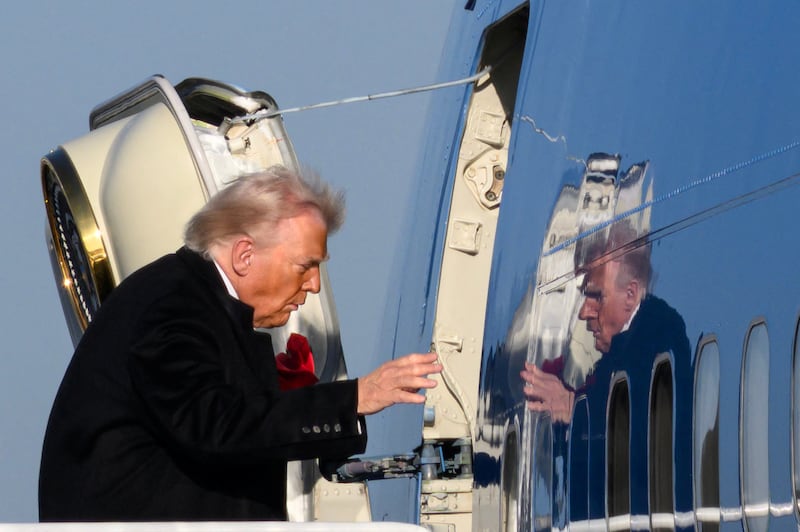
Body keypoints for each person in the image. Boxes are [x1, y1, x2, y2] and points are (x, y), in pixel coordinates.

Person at [39, 166, 441, 522]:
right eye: (306, 265)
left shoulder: (193, 300)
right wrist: (354, 397)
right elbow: (215, 426)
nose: (315, 285)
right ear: (245, 255)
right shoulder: (170, 308)